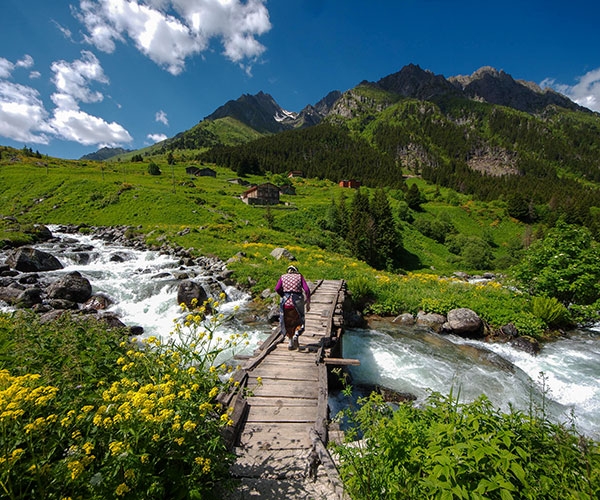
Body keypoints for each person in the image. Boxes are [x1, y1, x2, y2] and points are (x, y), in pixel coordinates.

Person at [275, 264, 311, 350]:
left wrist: (283, 295)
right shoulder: (299, 276)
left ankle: (290, 343)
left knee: (288, 322)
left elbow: (277, 288)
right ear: (296, 271)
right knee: (299, 319)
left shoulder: (283, 277)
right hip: (297, 301)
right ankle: (296, 335)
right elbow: (306, 290)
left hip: (286, 302)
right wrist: (308, 302)